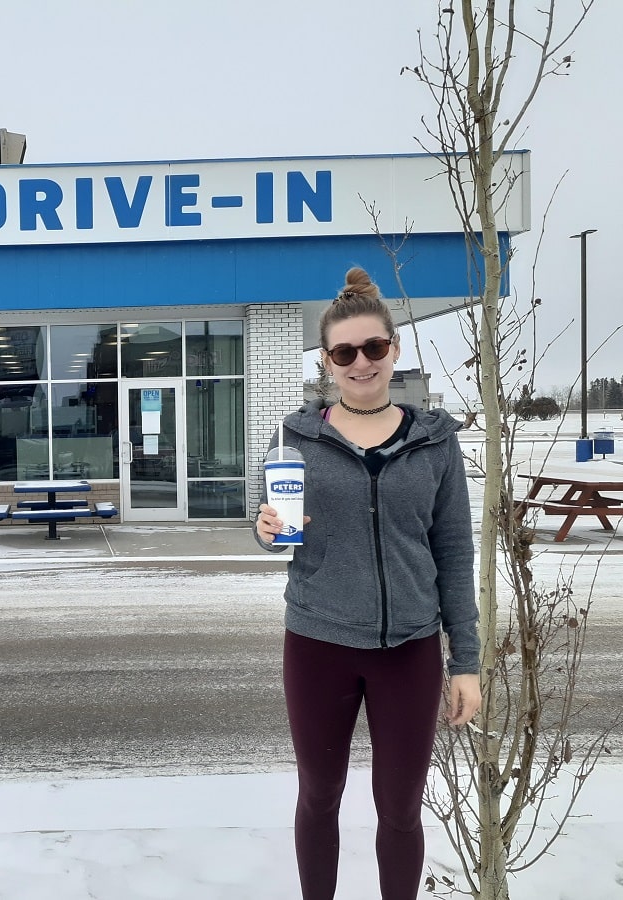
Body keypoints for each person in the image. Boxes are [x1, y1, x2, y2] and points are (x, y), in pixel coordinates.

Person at [254, 266, 481, 900]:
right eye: (345, 352)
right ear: (327, 360)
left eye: (373, 348)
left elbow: (454, 551)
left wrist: (466, 660)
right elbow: (272, 521)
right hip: (318, 645)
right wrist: (266, 529)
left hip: (409, 649)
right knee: (318, 796)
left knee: (400, 808)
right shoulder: (297, 439)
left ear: (394, 349)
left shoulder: (433, 442)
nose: (361, 363)